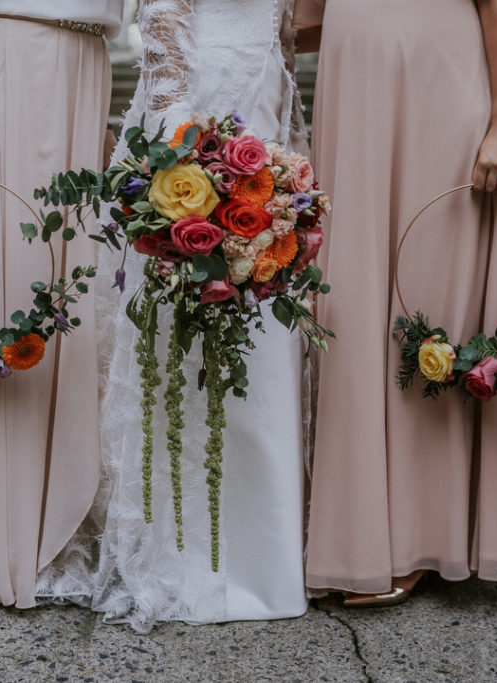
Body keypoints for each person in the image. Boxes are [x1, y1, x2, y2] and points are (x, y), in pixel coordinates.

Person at [37, 0, 311, 632]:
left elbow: (287, 49)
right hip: (195, 135)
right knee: (183, 342)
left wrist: (291, 169)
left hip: (265, 135)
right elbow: (163, 43)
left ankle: (263, 557)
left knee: (263, 344)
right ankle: (188, 554)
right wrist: (182, 155)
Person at [298, 0, 497, 605]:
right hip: (353, 90)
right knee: (348, 296)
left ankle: (422, 533)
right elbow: (305, 22)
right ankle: (354, 530)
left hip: (437, 79)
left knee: (423, 292)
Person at [0, 0, 123, 607]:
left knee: (71, 287)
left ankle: (55, 515)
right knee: (4, 282)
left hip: (87, 65)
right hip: (12, 53)